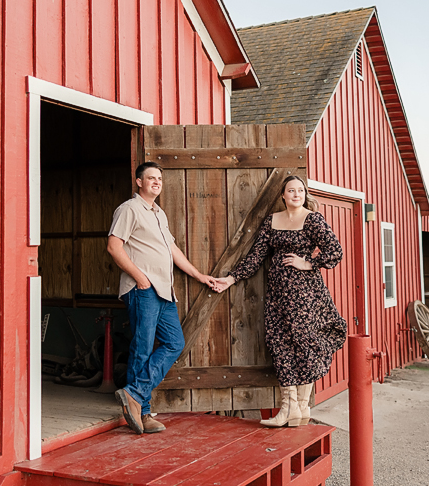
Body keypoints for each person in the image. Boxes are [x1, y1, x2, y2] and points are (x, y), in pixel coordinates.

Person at [212, 175, 347, 428]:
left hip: (306, 294)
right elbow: (257, 255)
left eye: (300, 190)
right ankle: (290, 409)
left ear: (305, 194)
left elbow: (335, 251)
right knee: (279, 342)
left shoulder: (312, 219)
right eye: (291, 190)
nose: (296, 194)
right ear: (282, 195)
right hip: (278, 296)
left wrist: (308, 263)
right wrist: (232, 278)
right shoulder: (272, 221)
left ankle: (301, 408)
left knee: (305, 344)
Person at [107, 161, 216, 435]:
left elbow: (172, 249)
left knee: (174, 343)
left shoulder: (159, 213)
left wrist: (199, 275)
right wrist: (140, 278)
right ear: (139, 182)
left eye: (159, 178)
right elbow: (113, 246)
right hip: (143, 289)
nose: (156, 182)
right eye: (151, 178)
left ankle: (134, 393)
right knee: (142, 348)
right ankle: (142, 413)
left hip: (165, 291)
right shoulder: (129, 209)